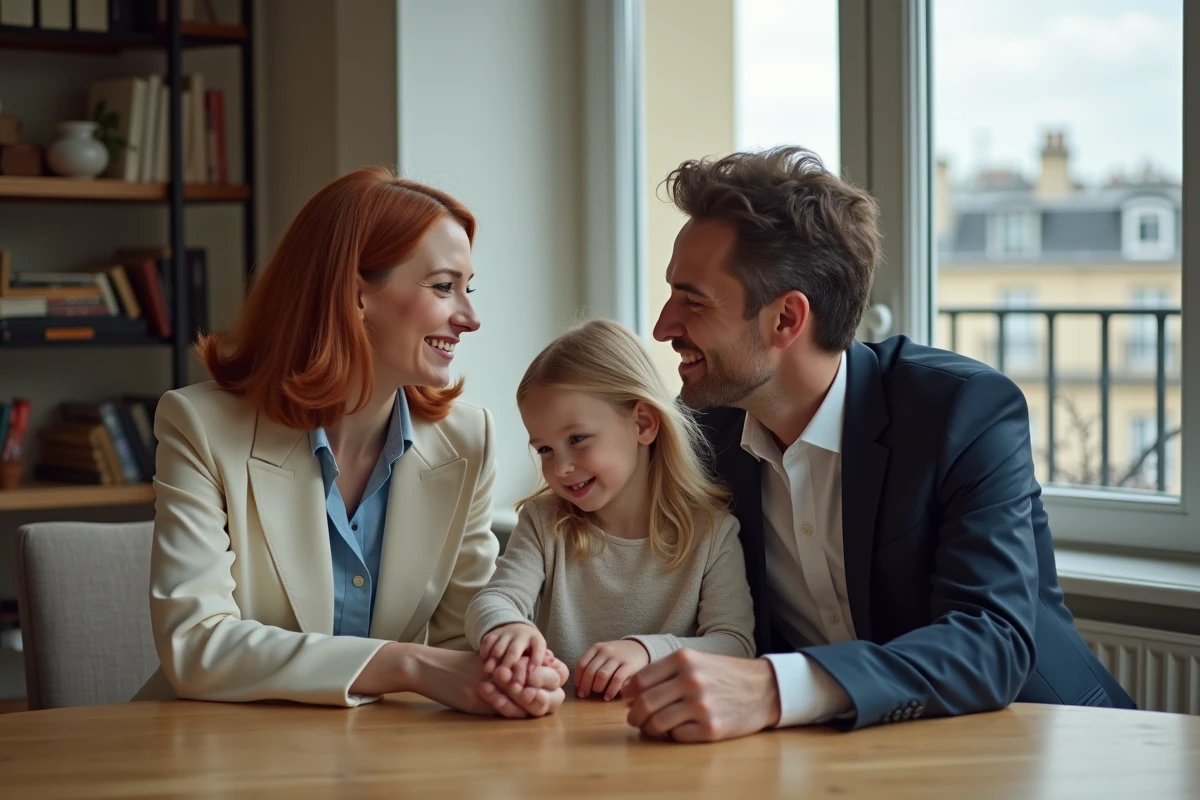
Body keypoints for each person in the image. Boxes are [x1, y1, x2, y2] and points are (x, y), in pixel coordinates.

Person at [622, 146, 1136, 742]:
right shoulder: (702, 430)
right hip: (842, 759)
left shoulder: (961, 411)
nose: (662, 326)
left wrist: (773, 686)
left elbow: (990, 642)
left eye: (693, 300)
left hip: (1041, 745)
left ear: (786, 319)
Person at [133, 167, 568, 717]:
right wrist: (409, 665)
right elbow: (197, 646)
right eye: (443, 286)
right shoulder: (199, 425)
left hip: (382, 755)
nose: (471, 318)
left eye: (468, 288)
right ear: (355, 293)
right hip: (214, 748)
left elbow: (464, 635)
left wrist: (512, 667)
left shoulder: (467, 439)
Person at [464, 319, 755, 702]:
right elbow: (493, 600)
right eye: (545, 449)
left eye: (578, 439)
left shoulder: (714, 533)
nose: (561, 467)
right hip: (555, 733)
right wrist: (507, 628)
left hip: (669, 736)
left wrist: (646, 651)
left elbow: (735, 645)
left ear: (644, 424)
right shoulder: (543, 522)